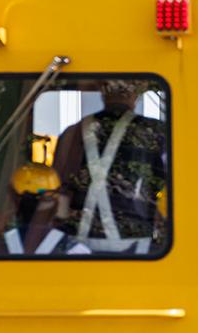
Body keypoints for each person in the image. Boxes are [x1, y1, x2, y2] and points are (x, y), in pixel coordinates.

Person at [51, 80, 169, 254]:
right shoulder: (156, 132)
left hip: (77, 248)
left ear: (100, 89)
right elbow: (169, 185)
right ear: (137, 93)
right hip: (137, 248)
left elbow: (57, 188)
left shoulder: (72, 132)